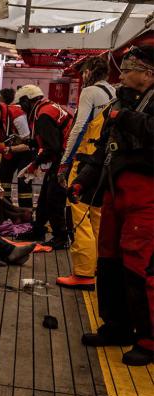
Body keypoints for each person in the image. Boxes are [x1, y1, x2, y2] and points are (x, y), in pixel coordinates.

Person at [73, 45, 154, 366]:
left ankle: (148, 338)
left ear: (148, 73)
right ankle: (117, 325)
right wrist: (83, 179)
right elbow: (104, 149)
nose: (123, 74)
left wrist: (127, 118)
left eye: (130, 68)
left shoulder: (127, 109)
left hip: (147, 196)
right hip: (114, 191)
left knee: (140, 265)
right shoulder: (117, 103)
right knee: (108, 260)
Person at [56, 57, 115, 290]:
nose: (82, 77)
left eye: (82, 73)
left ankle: (82, 272)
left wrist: (64, 162)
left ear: (89, 71)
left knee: (78, 216)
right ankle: (102, 266)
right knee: (100, 216)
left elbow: (79, 127)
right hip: (104, 163)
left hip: (85, 161)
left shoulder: (90, 91)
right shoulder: (114, 91)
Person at [14, 84, 74, 249]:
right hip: (64, 157)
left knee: (54, 198)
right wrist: (28, 142)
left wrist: (35, 163)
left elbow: (52, 147)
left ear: (27, 101)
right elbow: (51, 139)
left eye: (21, 104)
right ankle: (38, 229)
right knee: (44, 198)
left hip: (65, 160)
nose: (21, 109)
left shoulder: (43, 115)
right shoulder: (49, 108)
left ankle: (61, 237)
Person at [0, 98, 35, 209]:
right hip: (10, 150)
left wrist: (8, 149)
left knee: (23, 182)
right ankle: (6, 210)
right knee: (2, 178)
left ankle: (26, 213)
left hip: (26, 152)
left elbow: (28, 143)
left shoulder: (16, 115)